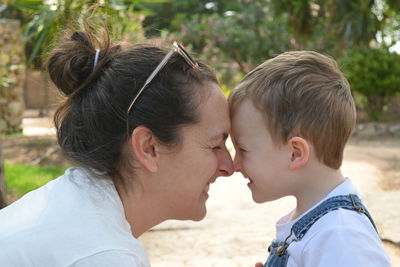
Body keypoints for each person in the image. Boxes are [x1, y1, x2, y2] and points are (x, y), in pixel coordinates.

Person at [0, 23, 234, 266]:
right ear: (148, 148)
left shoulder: (73, 207)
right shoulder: (102, 254)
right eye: (215, 145)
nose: (229, 166)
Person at [229, 51, 391, 267]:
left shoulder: (340, 235)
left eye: (242, 149)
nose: (234, 164)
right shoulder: (321, 225)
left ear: (295, 153)